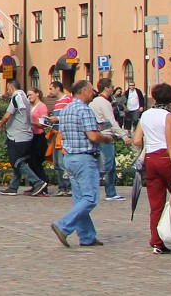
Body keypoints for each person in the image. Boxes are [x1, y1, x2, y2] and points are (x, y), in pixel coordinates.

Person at [51, 80, 114, 247]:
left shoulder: (66, 110)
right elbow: (93, 136)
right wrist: (106, 138)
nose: (93, 93)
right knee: (90, 198)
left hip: (70, 157)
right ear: (84, 91)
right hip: (84, 158)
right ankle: (63, 225)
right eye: (91, 90)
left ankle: (87, 236)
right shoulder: (84, 110)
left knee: (80, 199)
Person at [132, 83, 171, 254]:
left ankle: (157, 241)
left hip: (151, 159)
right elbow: (170, 144)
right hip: (166, 158)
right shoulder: (168, 116)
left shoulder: (145, 115)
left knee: (156, 203)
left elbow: (137, 140)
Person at [0, 78, 47, 196]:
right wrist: (3, 122)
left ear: (11, 88)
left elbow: (8, 115)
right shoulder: (24, 98)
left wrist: (2, 125)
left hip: (17, 136)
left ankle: (38, 182)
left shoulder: (16, 97)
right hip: (26, 135)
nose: (7, 92)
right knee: (19, 162)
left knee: (17, 162)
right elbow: (18, 117)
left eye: (8, 89)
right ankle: (13, 187)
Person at [91, 78, 128, 200]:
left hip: (97, 135)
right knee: (107, 165)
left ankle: (109, 191)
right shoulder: (104, 103)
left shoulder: (93, 102)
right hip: (106, 136)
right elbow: (111, 121)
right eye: (111, 86)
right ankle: (103, 191)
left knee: (107, 165)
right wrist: (123, 135)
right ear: (106, 88)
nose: (113, 89)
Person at [48, 81, 74, 197]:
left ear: (58, 88)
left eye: (51, 88)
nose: (50, 91)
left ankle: (68, 186)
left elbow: (70, 114)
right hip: (55, 132)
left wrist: (57, 118)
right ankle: (61, 186)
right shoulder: (57, 102)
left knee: (63, 161)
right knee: (57, 162)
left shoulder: (68, 99)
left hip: (63, 134)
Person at [26, 87, 50, 187]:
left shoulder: (42, 107)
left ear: (37, 94)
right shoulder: (31, 107)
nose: (29, 97)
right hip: (31, 136)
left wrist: (32, 123)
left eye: (30, 94)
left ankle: (43, 185)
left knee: (36, 163)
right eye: (28, 95)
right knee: (31, 163)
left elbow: (45, 124)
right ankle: (35, 185)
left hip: (39, 137)